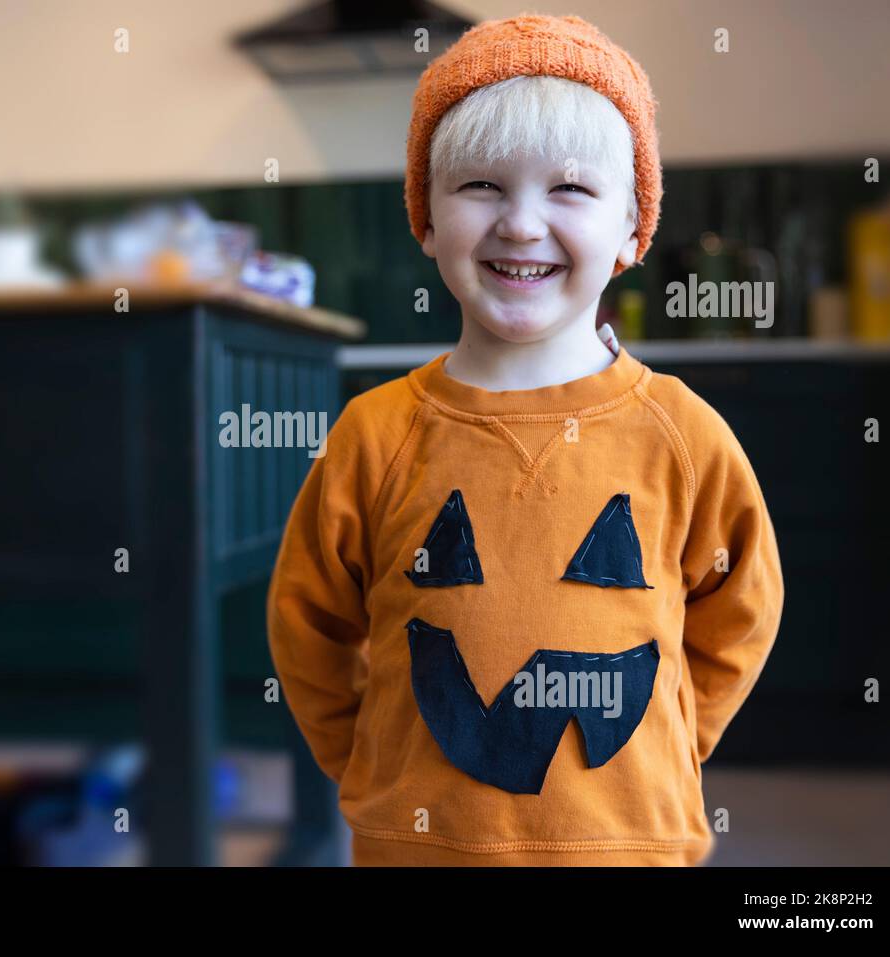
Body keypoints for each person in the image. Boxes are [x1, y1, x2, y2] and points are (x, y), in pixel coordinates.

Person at [266, 13, 784, 866]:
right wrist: (370, 760)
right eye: (480, 187)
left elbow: (741, 615)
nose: (520, 223)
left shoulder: (683, 435)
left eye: (571, 190)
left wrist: (671, 745)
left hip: (629, 845)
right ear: (426, 218)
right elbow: (308, 619)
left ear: (630, 229)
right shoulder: (376, 433)